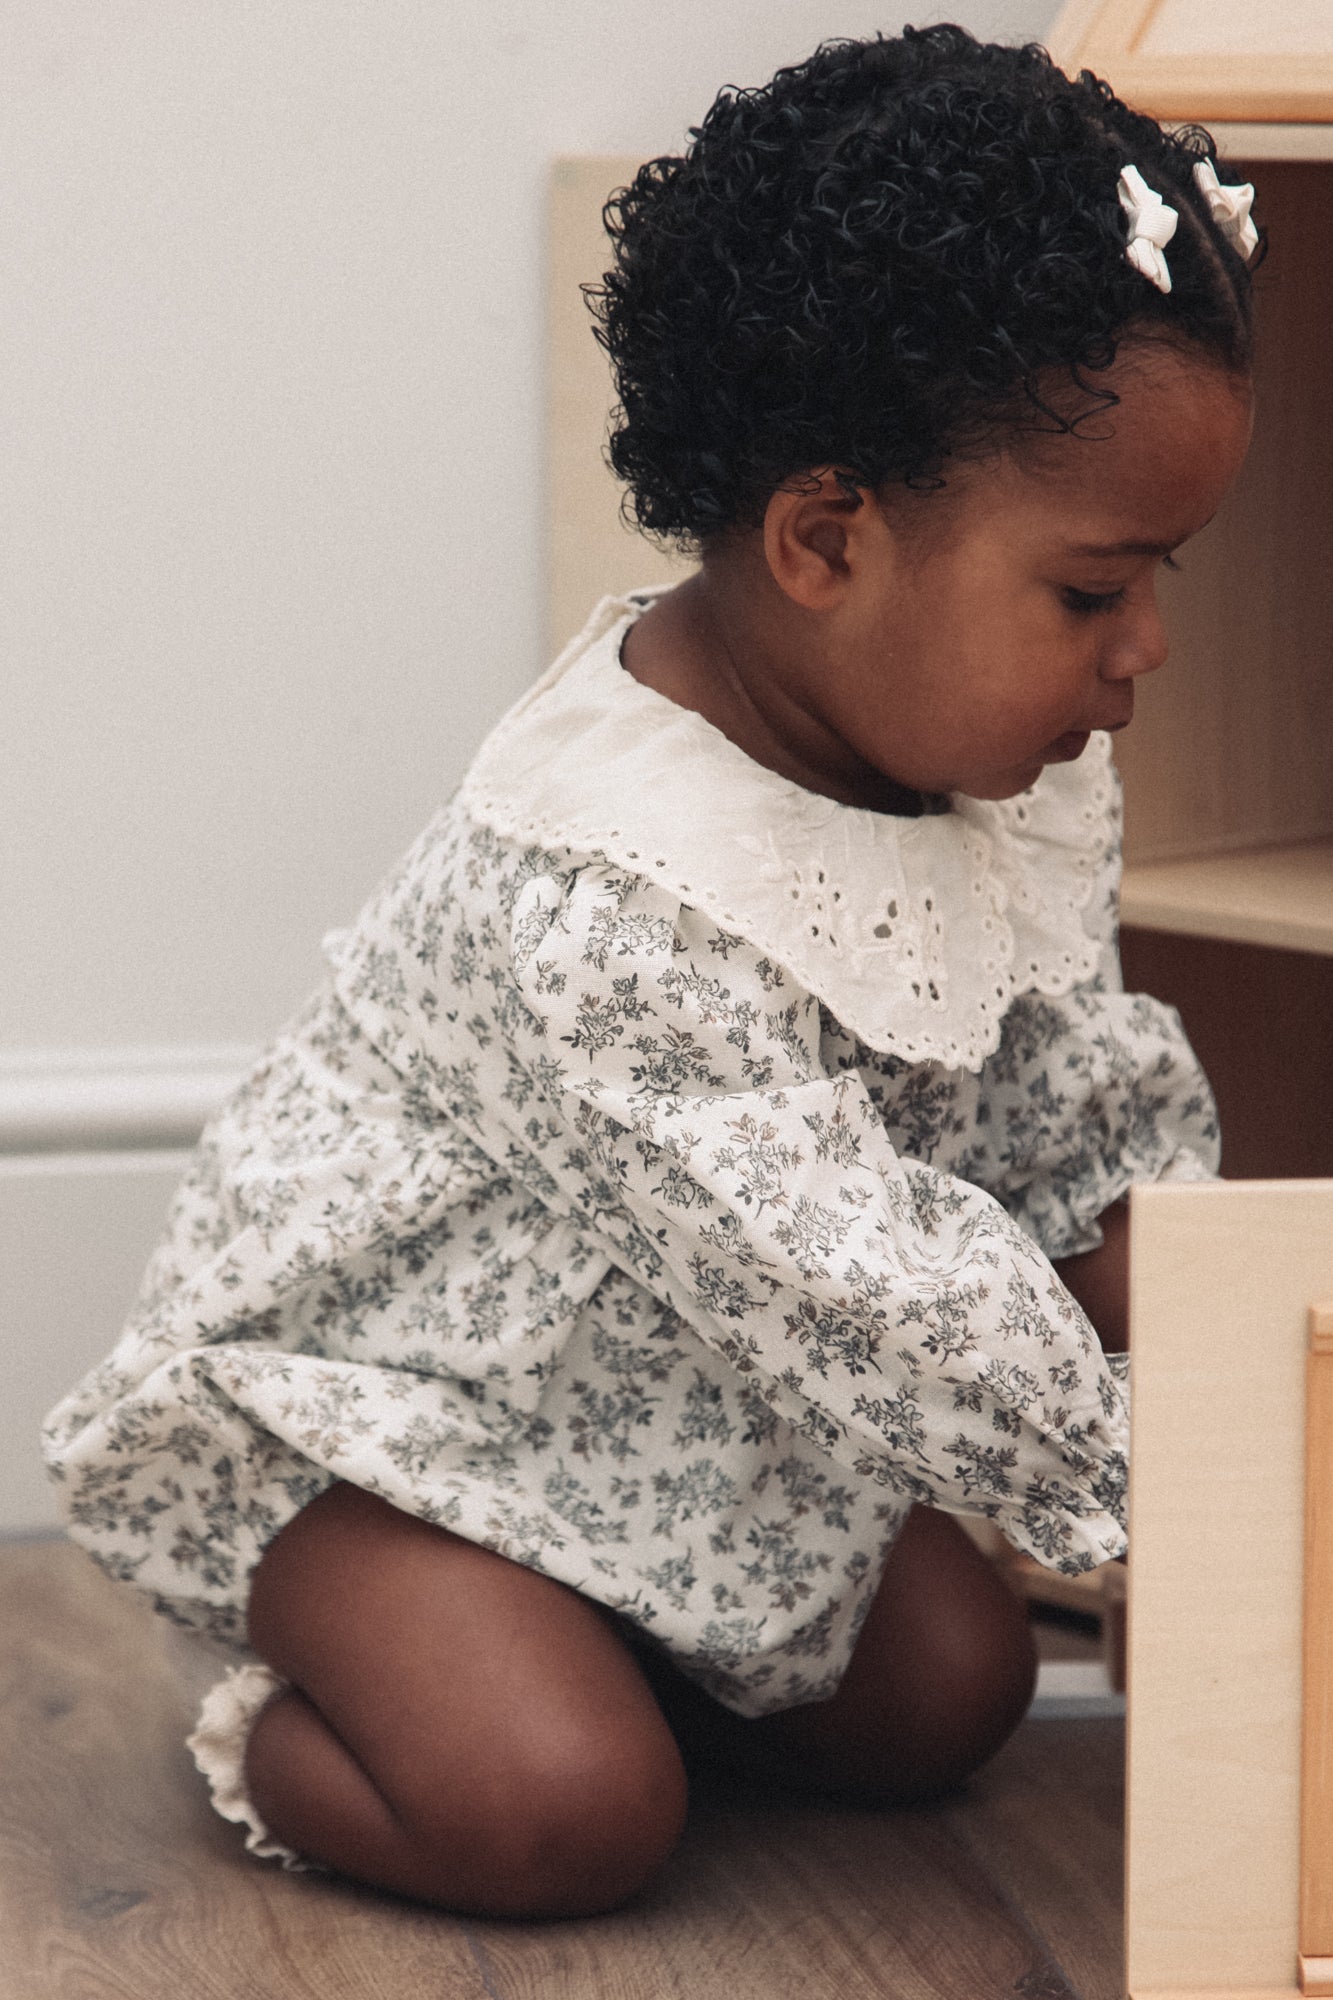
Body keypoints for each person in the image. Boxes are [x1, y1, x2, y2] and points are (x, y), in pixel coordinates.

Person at [44, 23, 1259, 1922]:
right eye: (1095, 590)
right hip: (412, 1406)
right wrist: (1189, 1486)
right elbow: (867, 1292)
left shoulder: (984, 771)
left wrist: (1238, 1318)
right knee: (555, 1819)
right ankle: (321, 1697)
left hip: (691, 1382)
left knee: (954, 1691)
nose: (1147, 651)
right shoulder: (608, 904)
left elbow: (1058, 1115)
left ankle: (604, 1645)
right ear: (824, 540)